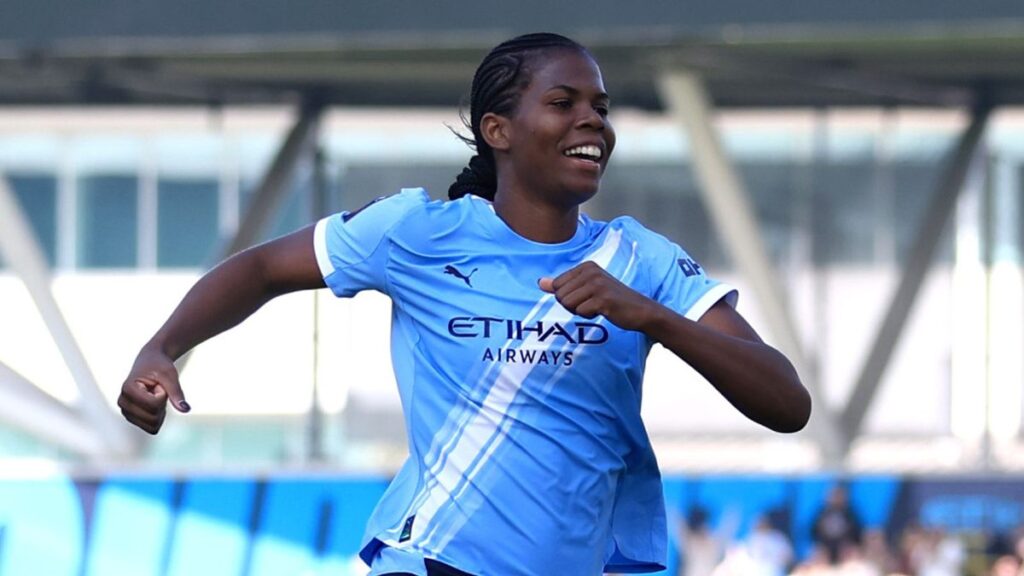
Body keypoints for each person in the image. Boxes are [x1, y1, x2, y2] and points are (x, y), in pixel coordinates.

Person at [117, 32, 811, 576]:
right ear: (498, 130)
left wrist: (652, 316)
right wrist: (161, 348)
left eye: (600, 108)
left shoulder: (641, 261)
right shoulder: (416, 232)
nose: (592, 122)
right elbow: (263, 267)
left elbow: (787, 403)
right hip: (429, 558)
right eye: (563, 103)